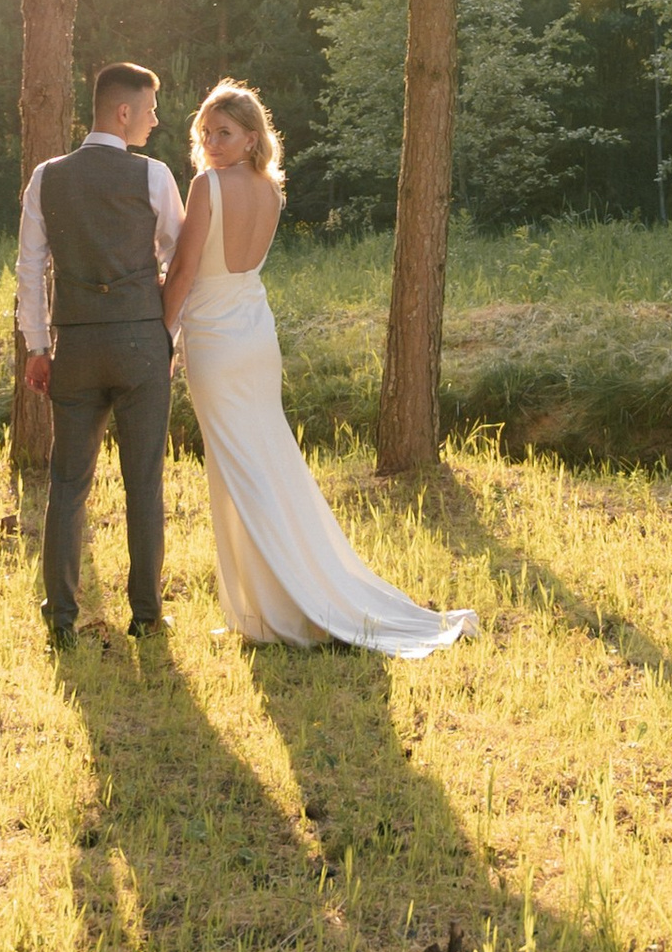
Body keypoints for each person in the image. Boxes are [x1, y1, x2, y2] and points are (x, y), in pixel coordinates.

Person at [165, 79, 476, 655]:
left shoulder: (207, 186)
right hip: (254, 332)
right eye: (204, 133)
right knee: (265, 462)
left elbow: (184, 272)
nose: (210, 143)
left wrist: (163, 335)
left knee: (241, 471)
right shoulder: (270, 190)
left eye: (224, 133)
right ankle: (261, 607)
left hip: (216, 339)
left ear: (252, 137)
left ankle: (281, 608)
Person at [18, 59, 184, 643]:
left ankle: (61, 619)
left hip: (77, 344)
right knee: (144, 482)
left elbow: (30, 267)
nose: (155, 121)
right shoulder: (154, 176)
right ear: (123, 111)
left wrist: (38, 345)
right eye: (150, 110)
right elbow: (180, 257)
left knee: (67, 483)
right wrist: (169, 334)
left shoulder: (47, 176)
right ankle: (146, 615)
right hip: (141, 342)